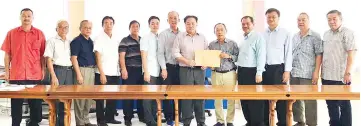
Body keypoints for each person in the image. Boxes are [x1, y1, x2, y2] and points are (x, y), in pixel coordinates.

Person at [1, 8, 46, 126]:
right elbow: (7, 55)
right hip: (17, 74)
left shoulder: (39, 34)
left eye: (29, 16)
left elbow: (42, 55)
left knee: (35, 103)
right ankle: (15, 124)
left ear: (32, 18)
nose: (26, 18)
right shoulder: (11, 33)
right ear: (20, 17)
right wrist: (7, 71)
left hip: (34, 74)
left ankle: (34, 123)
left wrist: (43, 70)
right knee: (16, 103)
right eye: (24, 16)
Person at [322, 10, 356, 126]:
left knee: (344, 105)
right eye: (329, 19)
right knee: (331, 104)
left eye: (334, 19)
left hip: (341, 76)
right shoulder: (326, 34)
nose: (332, 22)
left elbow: (351, 54)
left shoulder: (347, 33)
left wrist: (348, 73)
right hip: (326, 75)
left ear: (341, 19)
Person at [172, 15, 208, 126]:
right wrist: (187, 61)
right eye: (188, 23)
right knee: (186, 96)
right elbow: (175, 53)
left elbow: (207, 52)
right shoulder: (180, 37)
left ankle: (201, 122)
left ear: (197, 24)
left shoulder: (202, 37)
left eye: (193, 23)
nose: (190, 25)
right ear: (185, 24)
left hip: (199, 71)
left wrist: (205, 63)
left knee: (200, 97)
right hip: (185, 70)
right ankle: (186, 121)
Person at [262, 8, 292, 126]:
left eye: (273, 17)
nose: (271, 19)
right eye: (268, 17)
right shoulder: (262, 34)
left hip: (279, 69)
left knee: (280, 98)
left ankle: (283, 122)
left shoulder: (285, 33)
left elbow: (288, 52)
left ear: (278, 18)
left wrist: (287, 71)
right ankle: (265, 122)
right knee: (264, 98)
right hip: (265, 69)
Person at [291, 13, 322, 126]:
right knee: (296, 99)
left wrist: (316, 73)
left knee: (310, 100)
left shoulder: (315, 36)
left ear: (309, 21)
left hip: (308, 73)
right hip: (294, 72)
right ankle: (300, 121)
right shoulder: (294, 36)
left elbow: (319, 54)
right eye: (298, 20)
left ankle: (312, 123)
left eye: (303, 19)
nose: (300, 22)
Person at [43, 20, 73, 126]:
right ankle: (55, 123)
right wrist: (53, 75)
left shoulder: (70, 42)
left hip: (69, 72)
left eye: (66, 27)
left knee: (66, 99)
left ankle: (64, 123)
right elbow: (49, 59)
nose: (64, 29)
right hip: (57, 71)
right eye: (61, 27)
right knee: (56, 99)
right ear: (57, 29)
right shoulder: (51, 41)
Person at [238, 16, 266, 126]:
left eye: (247, 23)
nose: (245, 26)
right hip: (242, 72)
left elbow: (261, 55)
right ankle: (249, 122)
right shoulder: (243, 38)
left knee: (255, 100)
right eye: (243, 24)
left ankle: (257, 123)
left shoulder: (257, 37)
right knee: (244, 100)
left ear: (253, 24)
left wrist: (259, 72)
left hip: (253, 73)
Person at [93, 16, 122, 126]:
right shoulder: (99, 38)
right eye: (106, 23)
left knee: (112, 97)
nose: (108, 25)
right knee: (100, 99)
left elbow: (118, 56)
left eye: (110, 23)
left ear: (113, 25)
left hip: (115, 72)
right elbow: (98, 57)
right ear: (102, 25)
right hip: (102, 73)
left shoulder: (116, 38)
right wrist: (102, 73)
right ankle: (101, 121)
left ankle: (110, 118)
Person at [209, 23, 238, 126]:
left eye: (222, 29)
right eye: (217, 30)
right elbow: (209, 59)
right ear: (214, 32)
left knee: (231, 98)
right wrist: (210, 64)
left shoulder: (232, 43)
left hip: (230, 73)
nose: (219, 32)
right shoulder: (211, 44)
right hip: (216, 73)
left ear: (226, 31)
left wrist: (229, 56)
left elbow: (238, 57)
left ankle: (230, 121)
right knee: (217, 98)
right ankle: (220, 121)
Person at [70, 20, 97, 126]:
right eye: (85, 27)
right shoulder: (76, 41)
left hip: (91, 70)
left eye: (90, 28)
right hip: (81, 70)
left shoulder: (90, 41)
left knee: (88, 96)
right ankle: (80, 122)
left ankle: (86, 120)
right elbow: (74, 58)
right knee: (80, 97)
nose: (88, 30)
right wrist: (79, 74)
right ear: (80, 28)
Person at [119, 20, 144, 126]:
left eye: (137, 26)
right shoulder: (125, 40)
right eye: (133, 26)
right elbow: (121, 57)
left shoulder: (142, 40)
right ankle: (127, 118)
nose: (135, 28)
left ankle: (141, 116)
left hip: (141, 71)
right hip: (129, 70)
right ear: (129, 28)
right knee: (128, 95)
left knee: (141, 95)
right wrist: (123, 69)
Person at [157, 11, 181, 125]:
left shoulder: (183, 34)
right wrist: (163, 68)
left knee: (180, 92)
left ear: (179, 19)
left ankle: (179, 116)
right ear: (167, 20)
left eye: (175, 18)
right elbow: (160, 53)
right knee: (167, 93)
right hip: (168, 68)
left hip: (181, 68)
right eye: (170, 18)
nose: (173, 19)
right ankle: (169, 117)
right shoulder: (163, 34)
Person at [141, 16, 161, 126]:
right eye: (152, 23)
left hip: (158, 72)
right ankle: (149, 120)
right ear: (149, 25)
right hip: (150, 72)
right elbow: (143, 56)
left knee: (156, 97)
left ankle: (154, 118)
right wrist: (146, 71)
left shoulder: (159, 37)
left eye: (157, 23)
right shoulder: (145, 38)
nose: (155, 25)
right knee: (148, 97)